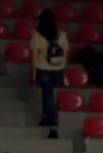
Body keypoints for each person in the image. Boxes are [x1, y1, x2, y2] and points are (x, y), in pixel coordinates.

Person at [30, 10, 68, 139]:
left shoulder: (37, 33)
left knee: (48, 96)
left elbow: (35, 53)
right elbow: (66, 50)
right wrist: (64, 71)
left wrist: (34, 72)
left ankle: (51, 123)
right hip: (58, 68)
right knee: (51, 96)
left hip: (44, 68)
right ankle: (47, 119)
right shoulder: (60, 32)